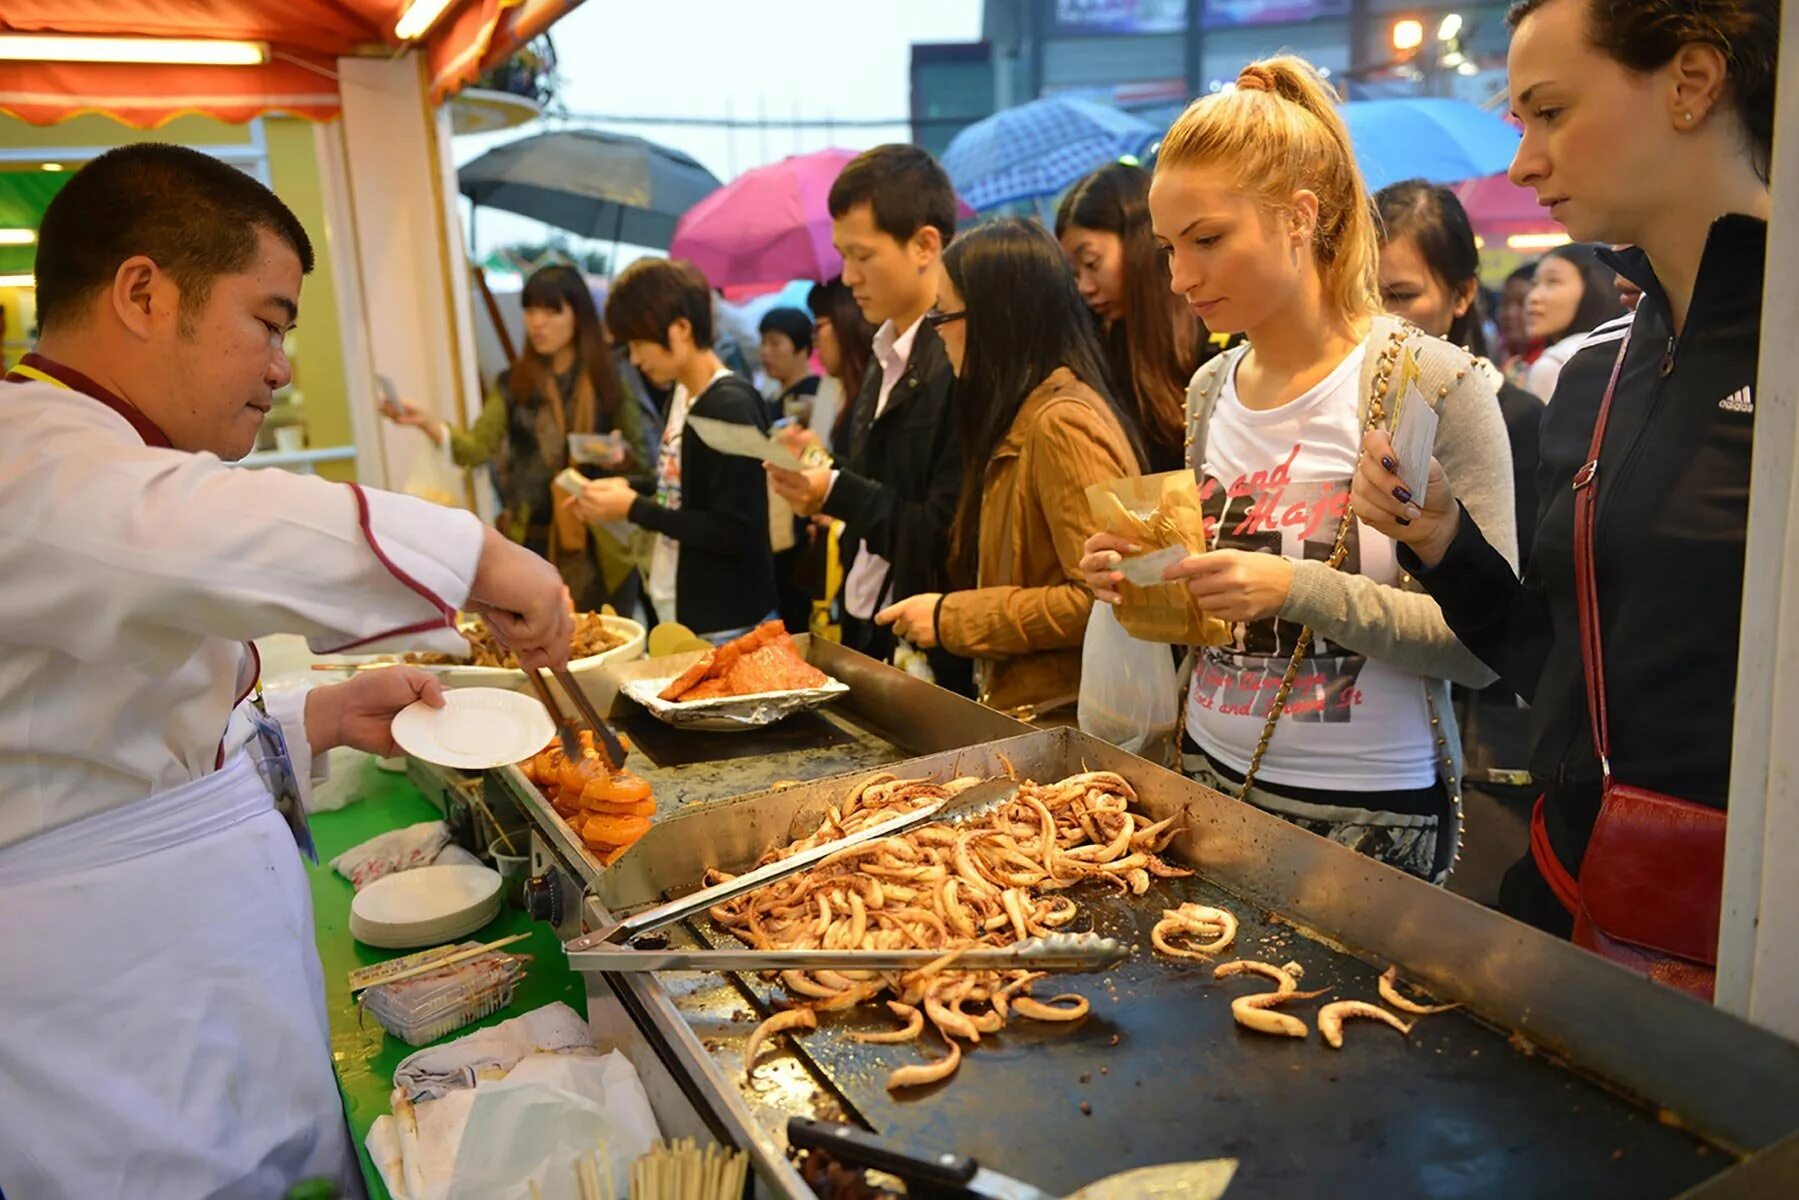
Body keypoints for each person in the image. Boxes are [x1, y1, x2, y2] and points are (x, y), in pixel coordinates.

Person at [0, 143, 571, 1199]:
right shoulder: (33, 456)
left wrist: (305, 718)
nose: (279, 366)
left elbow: (118, 736)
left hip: (178, 1020)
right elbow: (197, 535)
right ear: (141, 291)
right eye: (267, 321)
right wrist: (480, 556)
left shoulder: (94, 461)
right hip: (116, 1059)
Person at [1355, 0, 1773, 983]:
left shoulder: (1780, 354)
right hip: (1576, 914)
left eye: (1548, 112)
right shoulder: (1586, 379)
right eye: (1517, 122)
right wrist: (1444, 543)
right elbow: (1556, 671)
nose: (1522, 163)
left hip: (1748, 954)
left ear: (1690, 83)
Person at [1080, 57, 1518, 882]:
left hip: (1368, 814)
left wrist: (1292, 590)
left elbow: (1482, 650)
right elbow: (1213, 613)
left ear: (1298, 218)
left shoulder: (1428, 383)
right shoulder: (1210, 388)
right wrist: (1138, 578)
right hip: (1205, 781)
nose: (1180, 278)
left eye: (1207, 240)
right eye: (1170, 247)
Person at [875, 219, 1145, 718]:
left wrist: (950, 617)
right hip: (1035, 707)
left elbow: (1109, 597)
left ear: (994, 319)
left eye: (944, 315)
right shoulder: (1025, 412)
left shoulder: (1061, 423)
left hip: (1069, 715)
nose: (939, 333)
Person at [766, 145, 973, 695]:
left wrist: (833, 488)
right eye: (843, 256)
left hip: (930, 645)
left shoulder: (956, 360)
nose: (849, 277)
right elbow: (882, 483)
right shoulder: (884, 353)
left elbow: (945, 531)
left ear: (926, 244)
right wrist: (822, 470)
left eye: (863, 255)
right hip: (871, 621)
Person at [384, 263, 652, 612]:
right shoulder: (514, 383)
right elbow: (477, 448)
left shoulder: (610, 379)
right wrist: (428, 422)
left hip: (603, 544)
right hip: (532, 541)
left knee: (608, 639)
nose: (537, 321)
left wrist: (621, 457)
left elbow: (645, 463)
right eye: (530, 309)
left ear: (577, 315)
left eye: (551, 310)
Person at [574, 257, 778, 639]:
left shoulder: (731, 406)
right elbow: (684, 492)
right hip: (681, 607)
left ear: (681, 328)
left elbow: (736, 529)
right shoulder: (683, 393)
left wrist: (633, 508)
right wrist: (631, 490)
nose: (634, 359)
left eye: (638, 343)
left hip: (729, 621)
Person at [1376, 179, 1541, 566]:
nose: (1379, 316)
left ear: (1462, 294)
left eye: (1400, 296)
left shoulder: (1518, 417)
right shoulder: (1335, 399)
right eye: (1362, 294)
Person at [1054, 161, 1209, 471]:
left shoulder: (1208, 329)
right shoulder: (1094, 342)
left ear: (1139, 244)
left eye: (1092, 263)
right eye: (1074, 273)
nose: (1084, 287)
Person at [1520, 242, 1628, 401]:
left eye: (1553, 281)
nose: (1533, 297)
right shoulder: (1626, 349)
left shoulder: (1555, 364)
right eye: (1534, 284)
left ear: (1597, 286)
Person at [805, 276, 875, 455]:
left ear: (845, 323)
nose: (814, 340)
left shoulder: (875, 395)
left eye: (818, 326)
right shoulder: (844, 390)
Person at [758, 305, 821, 426]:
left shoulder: (813, 394)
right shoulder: (771, 397)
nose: (765, 351)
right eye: (763, 342)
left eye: (775, 344)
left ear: (802, 348)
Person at [1495, 262, 1541, 389]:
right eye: (1504, 303)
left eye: (1522, 303)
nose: (1510, 313)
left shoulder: (1555, 364)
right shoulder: (1498, 361)